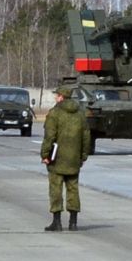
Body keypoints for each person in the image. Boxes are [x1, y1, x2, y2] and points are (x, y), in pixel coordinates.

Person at [40, 85, 93, 231]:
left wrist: (45, 155)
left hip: (57, 158)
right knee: (73, 189)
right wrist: (83, 156)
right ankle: (73, 222)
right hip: (74, 158)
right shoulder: (80, 114)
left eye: (57, 95)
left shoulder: (54, 113)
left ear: (61, 97)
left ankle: (57, 222)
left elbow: (49, 137)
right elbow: (86, 137)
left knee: (55, 188)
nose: (56, 98)